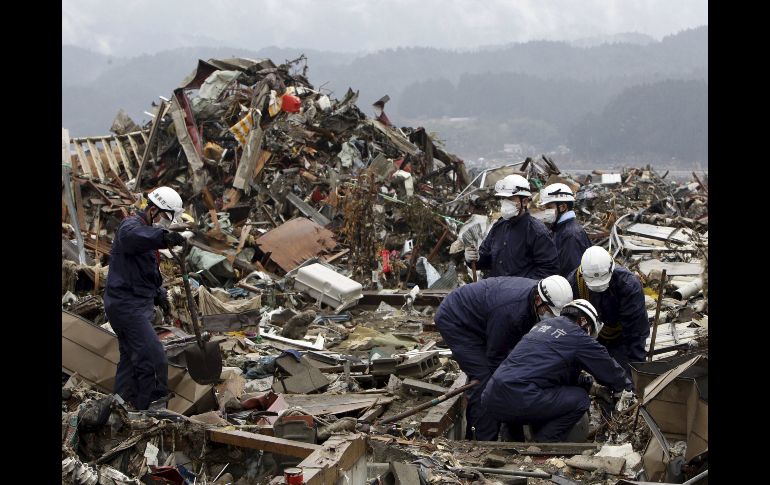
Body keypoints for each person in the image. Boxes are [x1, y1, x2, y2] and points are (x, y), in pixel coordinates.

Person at [435, 275, 573, 440]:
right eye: (550, 313)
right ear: (538, 301)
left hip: (485, 318)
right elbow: (497, 359)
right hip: (456, 320)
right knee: (485, 379)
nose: (553, 318)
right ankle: (482, 440)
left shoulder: (539, 300)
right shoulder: (511, 313)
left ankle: (512, 433)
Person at [480, 299, 632, 442]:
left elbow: (551, 373)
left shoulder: (540, 327)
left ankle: (512, 446)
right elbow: (607, 366)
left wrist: (593, 388)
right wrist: (627, 389)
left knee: (518, 404)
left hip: (491, 396)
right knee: (579, 399)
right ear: (584, 322)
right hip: (520, 397)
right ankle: (542, 446)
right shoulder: (577, 335)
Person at [103, 186, 187, 410]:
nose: (166, 224)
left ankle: (119, 408)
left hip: (133, 304)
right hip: (126, 306)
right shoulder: (131, 226)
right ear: (153, 210)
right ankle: (151, 408)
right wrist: (164, 237)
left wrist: (159, 295)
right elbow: (132, 238)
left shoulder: (146, 236)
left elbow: (145, 272)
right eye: (165, 218)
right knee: (153, 355)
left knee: (131, 360)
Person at [566, 246, 649, 379]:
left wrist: (636, 373)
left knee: (626, 376)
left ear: (612, 269)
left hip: (620, 338)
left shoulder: (628, 285)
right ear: (582, 274)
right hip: (589, 337)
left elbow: (636, 333)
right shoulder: (573, 284)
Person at [465, 174, 559, 279]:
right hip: (496, 291)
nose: (505, 202)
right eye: (503, 198)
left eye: (510, 198)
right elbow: (486, 259)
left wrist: (524, 289)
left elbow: (548, 270)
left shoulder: (537, 232)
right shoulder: (499, 227)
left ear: (524, 201)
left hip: (521, 294)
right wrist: (474, 259)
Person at [534, 183, 592, 277]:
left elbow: (572, 274)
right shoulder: (559, 229)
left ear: (563, 207)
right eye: (545, 208)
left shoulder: (570, 234)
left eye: (549, 207)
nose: (546, 212)